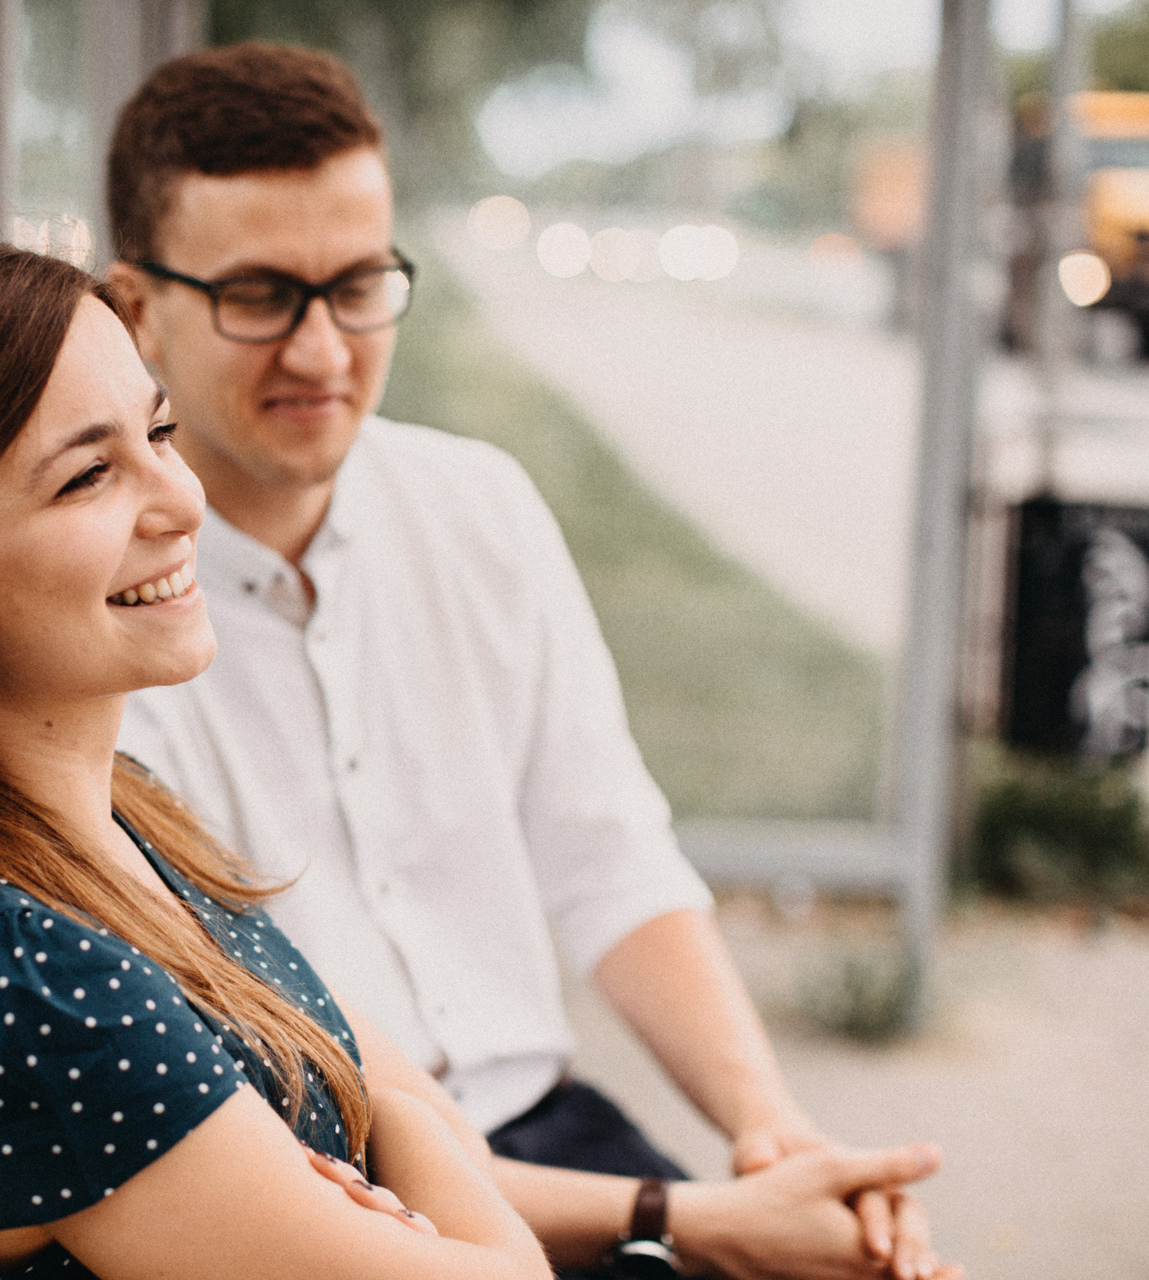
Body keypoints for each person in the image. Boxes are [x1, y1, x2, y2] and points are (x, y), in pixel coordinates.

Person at [105, 43, 958, 1280]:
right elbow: (258, 1133)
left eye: (356, 285)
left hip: (556, 1127)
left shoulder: (482, 507)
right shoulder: (104, 619)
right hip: (328, 1185)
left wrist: (772, 1136)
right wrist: (699, 1216)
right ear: (135, 309)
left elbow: (607, 857)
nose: (323, 351)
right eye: (259, 294)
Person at [0, 245, 549, 1279]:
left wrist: (402, 1155)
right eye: (89, 475)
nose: (183, 500)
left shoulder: (125, 823)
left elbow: (425, 1115)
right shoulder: (15, 976)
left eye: (159, 432)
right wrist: (406, 1143)